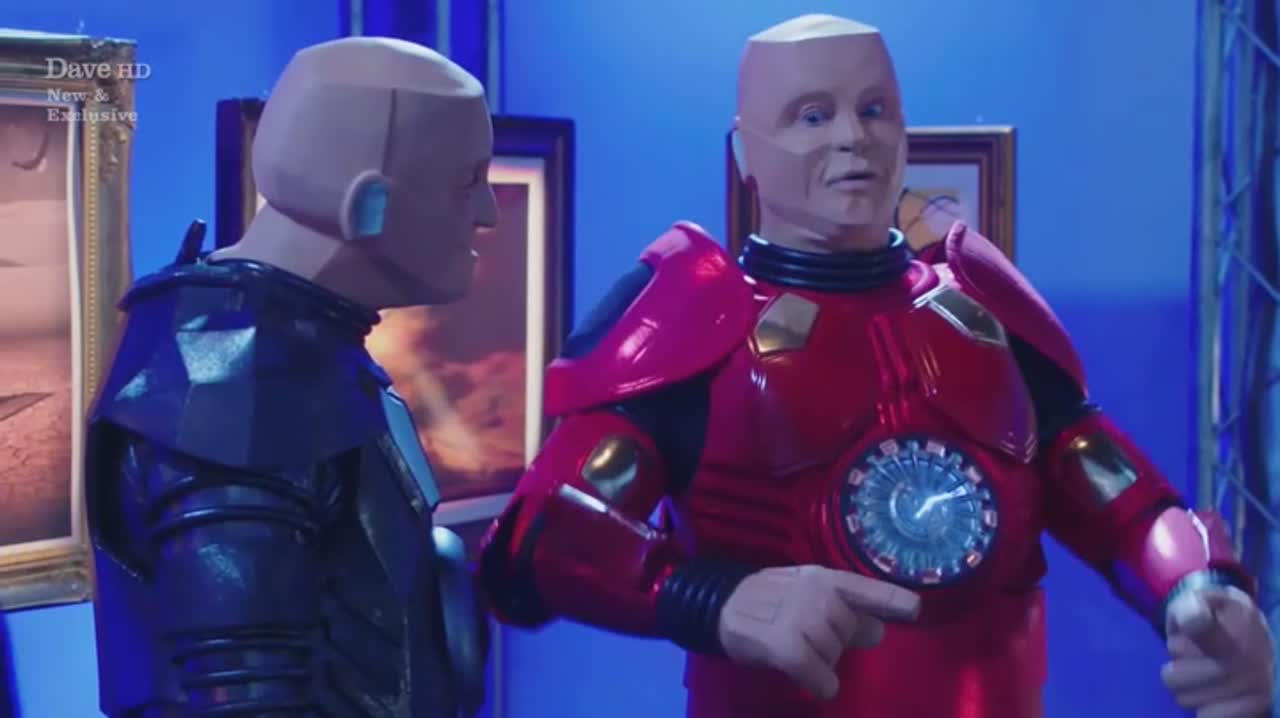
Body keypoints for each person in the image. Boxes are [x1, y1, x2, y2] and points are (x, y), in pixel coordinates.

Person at [477, 14, 1276, 718]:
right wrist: (707, 597)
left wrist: (1203, 592)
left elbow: (1112, 489)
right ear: (745, 150)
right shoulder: (690, 322)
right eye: (811, 115)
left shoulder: (984, 308)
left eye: (874, 109)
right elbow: (534, 543)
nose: (852, 138)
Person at [86, 36, 497, 717]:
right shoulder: (232, 383)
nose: (486, 211)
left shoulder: (294, 346)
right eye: (465, 182)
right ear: (367, 204)